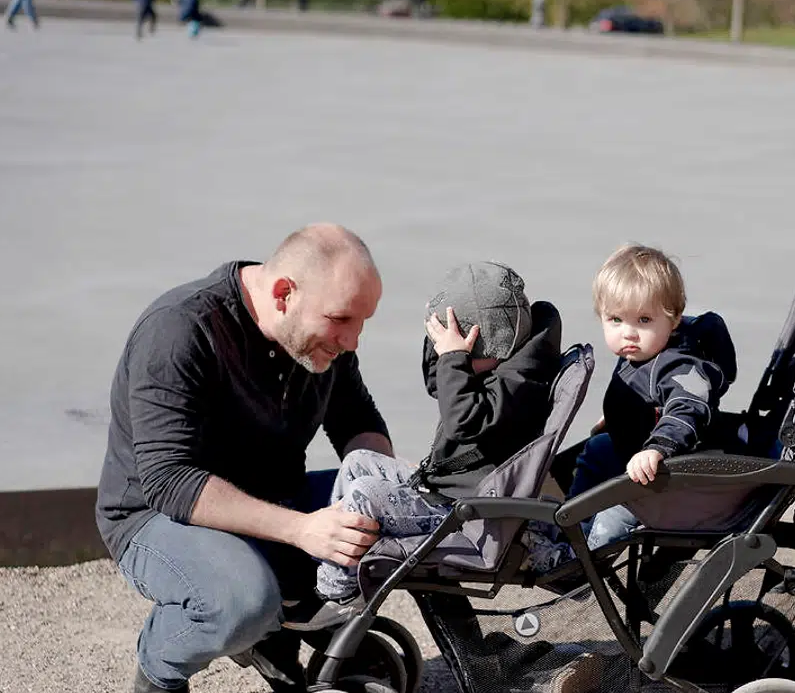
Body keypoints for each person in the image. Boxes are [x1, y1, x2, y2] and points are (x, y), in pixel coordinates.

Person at [96, 223, 393, 693]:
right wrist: (303, 530)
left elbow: (358, 423)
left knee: (388, 514)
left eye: (362, 323)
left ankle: (285, 629)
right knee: (242, 602)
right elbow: (171, 481)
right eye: (341, 319)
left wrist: (380, 487)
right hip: (156, 515)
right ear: (284, 295)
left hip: (271, 499)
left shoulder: (320, 340)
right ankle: (159, 669)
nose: (351, 340)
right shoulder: (179, 331)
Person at [286, 261, 570, 631]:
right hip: (445, 491)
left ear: (490, 346)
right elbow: (439, 386)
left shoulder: (520, 385)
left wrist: (455, 358)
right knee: (357, 461)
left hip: (463, 514)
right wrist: (444, 349)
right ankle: (335, 572)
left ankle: (339, 593)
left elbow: (463, 421)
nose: (457, 362)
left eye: (467, 353)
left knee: (365, 492)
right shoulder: (507, 365)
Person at [568, 245, 737, 549]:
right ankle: (570, 524)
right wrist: (620, 417)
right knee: (596, 449)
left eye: (644, 320)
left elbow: (687, 409)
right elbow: (641, 394)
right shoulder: (640, 351)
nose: (628, 333)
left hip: (675, 474)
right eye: (615, 320)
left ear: (673, 320)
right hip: (636, 453)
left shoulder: (679, 366)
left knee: (615, 515)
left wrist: (659, 447)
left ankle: (581, 566)